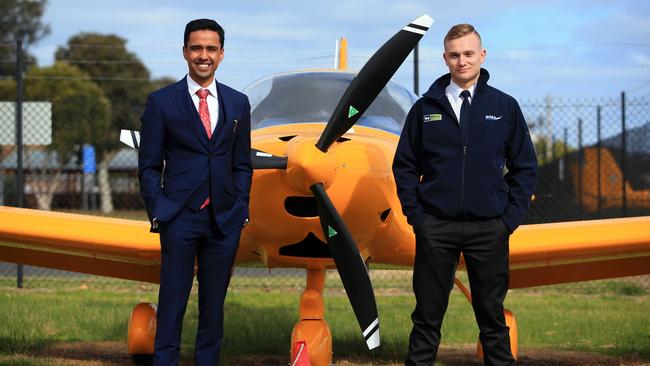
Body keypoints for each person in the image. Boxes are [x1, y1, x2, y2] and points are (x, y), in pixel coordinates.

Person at [393, 23, 537, 366]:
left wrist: (508, 220)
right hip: (435, 228)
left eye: (468, 54)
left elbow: (525, 168)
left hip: (489, 228)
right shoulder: (424, 108)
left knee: (492, 318)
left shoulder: (505, 107)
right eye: (454, 55)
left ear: (482, 56)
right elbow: (404, 168)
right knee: (426, 317)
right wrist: (419, 219)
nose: (462, 61)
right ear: (445, 58)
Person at [138, 18, 252, 365]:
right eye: (197, 48)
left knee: (213, 310)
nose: (204, 55)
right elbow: (148, 166)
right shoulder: (161, 102)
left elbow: (242, 163)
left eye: (211, 49)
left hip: (223, 220)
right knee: (172, 305)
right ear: (185, 52)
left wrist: (240, 208)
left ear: (221, 54)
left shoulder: (238, 103)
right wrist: (160, 209)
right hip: (179, 218)